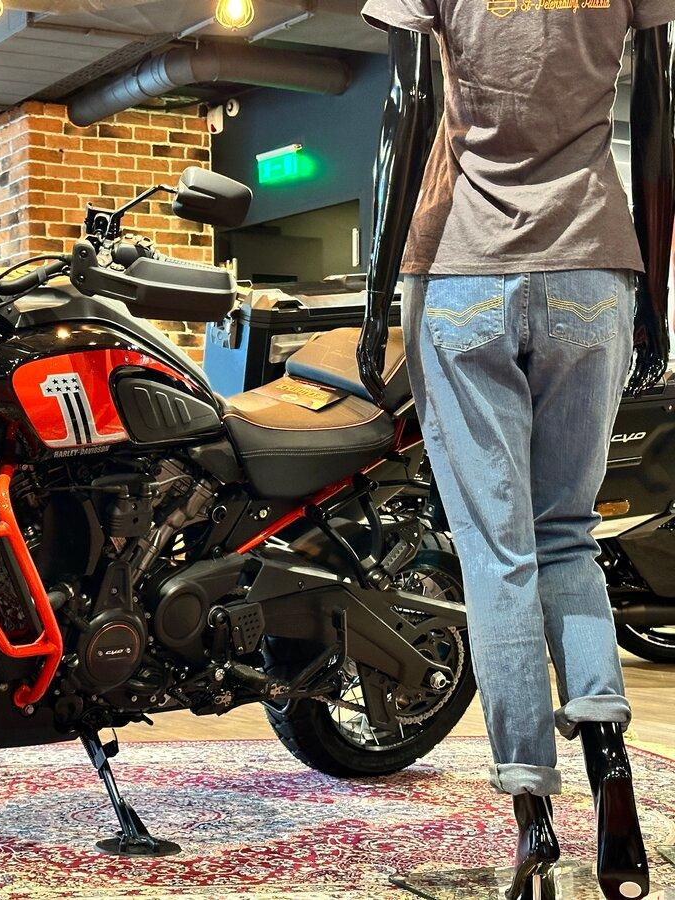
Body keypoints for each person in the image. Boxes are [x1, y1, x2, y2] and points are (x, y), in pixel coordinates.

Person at [355, 3, 675, 899]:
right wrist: (653, 289)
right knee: (567, 534)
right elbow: (659, 110)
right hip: (594, 266)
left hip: (461, 267)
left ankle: (533, 811)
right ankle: (611, 767)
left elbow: (408, 105)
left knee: (498, 554)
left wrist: (378, 294)